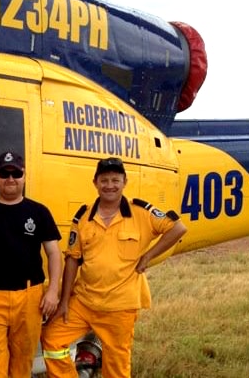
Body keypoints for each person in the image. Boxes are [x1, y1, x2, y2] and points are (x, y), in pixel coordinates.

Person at [41, 157, 188, 378]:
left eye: (115, 180)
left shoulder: (141, 212)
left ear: (124, 182)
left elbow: (178, 228)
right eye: (104, 180)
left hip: (120, 307)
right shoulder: (83, 216)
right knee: (52, 340)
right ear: (95, 182)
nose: (110, 185)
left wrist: (148, 256)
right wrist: (63, 302)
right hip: (84, 302)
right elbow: (72, 258)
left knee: (116, 368)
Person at [0, 151, 62, 378]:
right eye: (4, 173)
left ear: (24, 176)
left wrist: (53, 291)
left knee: (22, 365)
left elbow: (54, 253)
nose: (10, 179)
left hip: (30, 297)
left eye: (16, 173)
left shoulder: (39, 212)